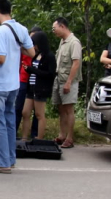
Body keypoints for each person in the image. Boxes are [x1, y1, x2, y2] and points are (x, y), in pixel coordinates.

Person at [0, 0, 34, 174]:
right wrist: (16, 50)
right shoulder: (22, 28)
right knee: (10, 122)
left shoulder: (2, 31)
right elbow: (32, 52)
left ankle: (1, 162)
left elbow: (0, 58)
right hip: (14, 83)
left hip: (0, 84)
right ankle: (10, 158)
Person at [51, 17, 82, 149]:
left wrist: (69, 82)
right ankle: (62, 135)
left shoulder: (74, 42)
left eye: (55, 28)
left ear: (62, 26)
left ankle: (70, 138)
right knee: (61, 109)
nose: (54, 31)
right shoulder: (62, 42)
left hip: (68, 81)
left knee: (69, 109)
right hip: (59, 79)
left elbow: (76, 63)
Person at [21, 31, 56, 140]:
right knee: (25, 113)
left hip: (41, 88)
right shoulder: (36, 55)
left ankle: (39, 138)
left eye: (35, 43)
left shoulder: (49, 56)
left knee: (39, 114)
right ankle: (24, 137)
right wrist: (29, 69)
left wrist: (34, 70)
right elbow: (34, 70)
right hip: (31, 87)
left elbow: (50, 74)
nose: (34, 46)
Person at [16, 25, 43, 140]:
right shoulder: (24, 48)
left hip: (35, 82)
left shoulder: (42, 52)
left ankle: (35, 134)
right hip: (23, 79)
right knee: (19, 108)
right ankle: (15, 132)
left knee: (37, 111)